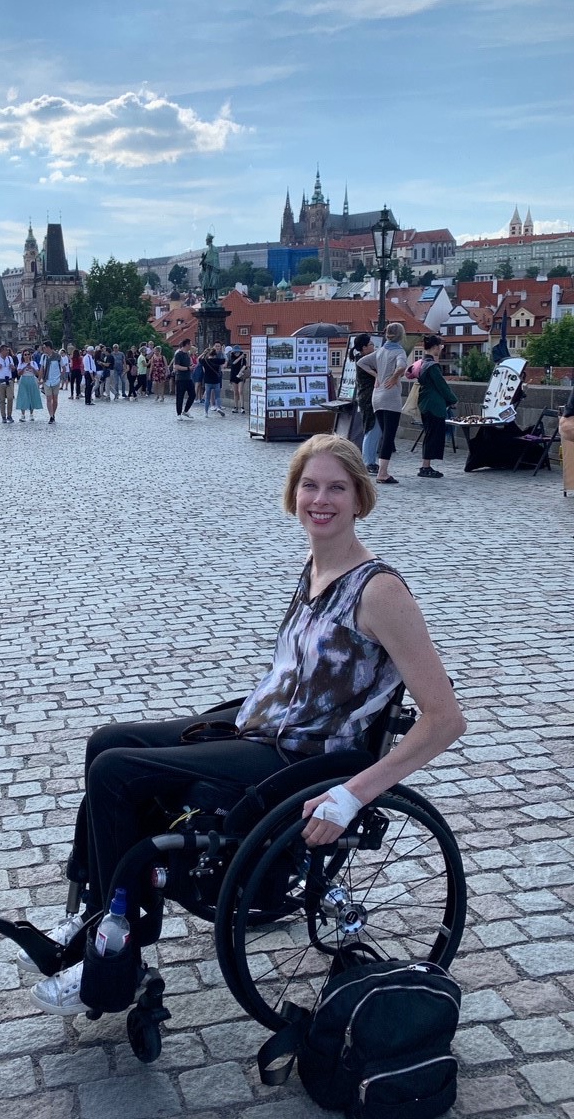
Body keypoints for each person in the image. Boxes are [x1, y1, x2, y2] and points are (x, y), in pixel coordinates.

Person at [27, 435, 465, 1014]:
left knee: (115, 772)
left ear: (361, 497)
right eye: (310, 485)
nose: (321, 499)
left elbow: (445, 719)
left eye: (337, 487)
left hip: (300, 759)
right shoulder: (316, 566)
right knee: (106, 741)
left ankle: (116, 960)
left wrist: (352, 795)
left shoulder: (379, 591)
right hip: (261, 727)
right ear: (294, 494)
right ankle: (101, 917)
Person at [357, 323, 408, 485]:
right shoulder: (398, 351)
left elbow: (361, 363)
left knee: (383, 433)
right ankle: (383, 472)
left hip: (376, 396)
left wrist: (377, 374)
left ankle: (379, 468)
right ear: (401, 335)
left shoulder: (380, 351)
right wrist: (394, 377)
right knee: (388, 435)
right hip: (390, 396)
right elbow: (402, 366)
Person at [416, 335, 457, 478]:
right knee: (433, 436)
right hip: (433, 405)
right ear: (435, 347)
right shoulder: (432, 366)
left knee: (429, 434)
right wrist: (453, 399)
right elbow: (442, 385)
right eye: (440, 347)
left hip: (425, 403)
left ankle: (425, 466)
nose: (440, 349)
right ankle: (425, 467)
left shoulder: (422, 363)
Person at [350, 334, 380, 472]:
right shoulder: (364, 361)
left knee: (373, 429)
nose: (373, 347)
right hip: (368, 398)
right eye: (371, 344)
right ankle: (368, 462)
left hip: (367, 397)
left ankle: (370, 460)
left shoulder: (361, 359)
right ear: (364, 347)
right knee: (371, 429)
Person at [172, 338, 195, 419]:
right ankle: (178, 414)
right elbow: (177, 366)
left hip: (188, 378)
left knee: (192, 395)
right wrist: (188, 368)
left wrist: (192, 366)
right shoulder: (178, 354)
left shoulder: (187, 354)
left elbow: (190, 363)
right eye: (190, 344)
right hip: (180, 378)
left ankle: (185, 411)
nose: (191, 346)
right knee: (180, 397)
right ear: (187, 345)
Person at [16, 352, 43, 421]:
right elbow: (19, 373)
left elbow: (37, 373)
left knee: (32, 396)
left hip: (32, 379)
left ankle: (31, 414)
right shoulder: (21, 363)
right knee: (23, 397)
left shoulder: (33, 363)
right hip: (24, 380)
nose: (27, 356)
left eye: (28, 354)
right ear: (23, 356)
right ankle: (23, 415)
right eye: (25, 355)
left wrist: (32, 368)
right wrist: (25, 367)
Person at [200, 343, 226, 417]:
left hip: (208, 381)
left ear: (209, 355)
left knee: (207, 398)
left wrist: (204, 353)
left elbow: (199, 359)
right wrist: (223, 352)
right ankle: (218, 407)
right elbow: (224, 360)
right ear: (215, 355)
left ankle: (206, 413)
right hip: (216, 381)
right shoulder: (217, 360)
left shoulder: (205, 361)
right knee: (217, 396)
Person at [40, 341, 62, 424]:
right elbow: (41, 368)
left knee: (55, 400)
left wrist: (60, 377)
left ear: (49, 347)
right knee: (49, 399)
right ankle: (51, 416)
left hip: (56, 381)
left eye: (44, 347)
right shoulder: (43, 357)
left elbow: (63, 367)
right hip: (47, 380)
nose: (43, 349)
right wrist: (40, 380)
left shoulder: (57, 356)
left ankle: (53, 413)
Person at [228, 346, 247, 413]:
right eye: (235, 352)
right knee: (235, 392)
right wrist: (240, 357)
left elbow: (245, 366)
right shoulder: (232, 357)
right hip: (233, 376)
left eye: (238, 352)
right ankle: (235, 407)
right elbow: (233, 363)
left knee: (240, 391)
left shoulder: (243, 359)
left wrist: (241, 371)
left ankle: (242, 407)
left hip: (240, 376)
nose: (237, 353)